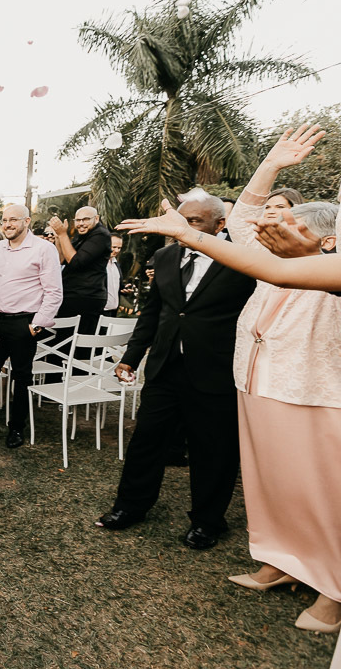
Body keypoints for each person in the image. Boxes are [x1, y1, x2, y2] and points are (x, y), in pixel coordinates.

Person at [195, 125, 341, 633]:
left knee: (322, 494)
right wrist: (272, 164)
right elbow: (241, 219)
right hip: (256, 384)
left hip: (312, 395)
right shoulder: (266, 263)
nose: (273, 229)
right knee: (270, 484)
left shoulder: (327, 270)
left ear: (328, 238)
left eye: (290, 224)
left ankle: (332, 592)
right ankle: (280, 561)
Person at [96, 192, 256, 550]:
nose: (184, 227)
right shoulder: (166, 256)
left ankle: (207, 521)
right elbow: (154, 312)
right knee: (146, 441)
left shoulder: (240, 260)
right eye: (182, 220)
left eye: (195, 221)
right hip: (166, 366)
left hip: (216, 369)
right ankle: (130, 507)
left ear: (221, 224)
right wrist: (131, 358)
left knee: (212, 450)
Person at [0, 204, 62, 449]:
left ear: (26, 221)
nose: (7, 224)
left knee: (21, 377)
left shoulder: (44, 249)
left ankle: (17, 428)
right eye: (4, 220)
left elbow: (54, 292)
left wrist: (36, 326)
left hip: (25, 323)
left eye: (13, 220)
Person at [49, 206, 111, 335]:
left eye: (86, 219)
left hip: (86, 297)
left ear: (97, 219)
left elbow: (76, 261)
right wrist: (58, 237)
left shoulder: (100, 235)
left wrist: (63, 234)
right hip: (72, 296)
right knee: (62, 341)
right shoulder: (82, 235)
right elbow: (62, 260)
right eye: (78, 220)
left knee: (76, 343)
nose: (81, 224)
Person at [104, 235, 124, 317]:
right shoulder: (98, 264)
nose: (116, 250)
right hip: (99, 310)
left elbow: (116, 286)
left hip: (113, 311)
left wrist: (124, 289)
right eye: (114, 247)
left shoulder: (116, 264)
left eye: (119, 248)